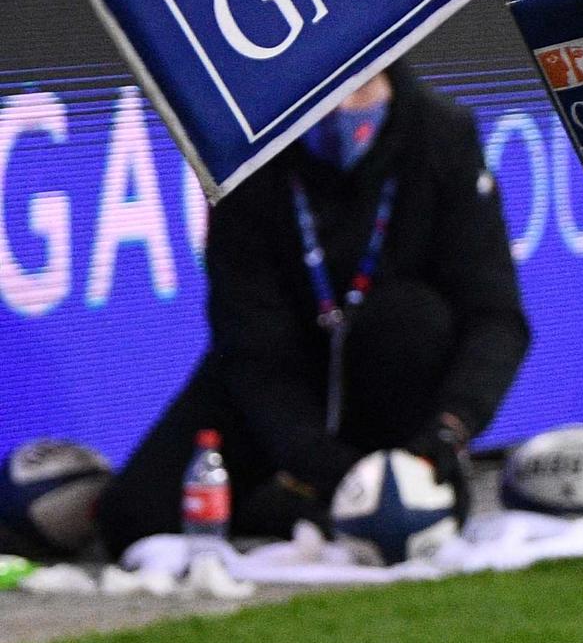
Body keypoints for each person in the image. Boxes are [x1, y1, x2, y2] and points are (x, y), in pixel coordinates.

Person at [94, 65, 531, 556]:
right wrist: (320, 462)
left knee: (413, 318)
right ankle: (295, 501)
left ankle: (373, 492)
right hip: (284, 372)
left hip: (396, 375)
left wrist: (447, 433)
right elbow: (249, 341)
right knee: (134, 514)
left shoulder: (442, 132)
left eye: (358, 89)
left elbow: (496, 317)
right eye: (322, 96)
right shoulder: (245, 152)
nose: (341, 110)